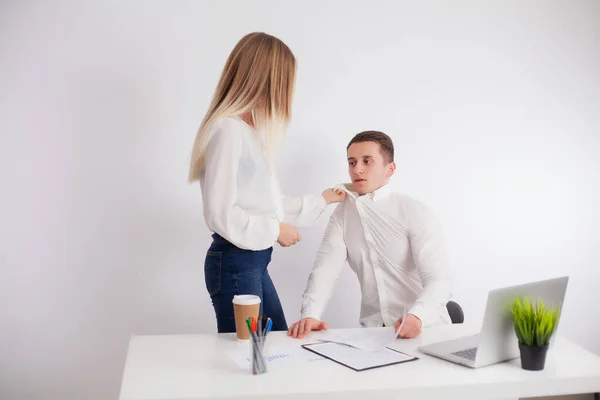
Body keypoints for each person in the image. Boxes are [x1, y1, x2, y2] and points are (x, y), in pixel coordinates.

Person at [188, 32, 345, 333]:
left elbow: (262, 202)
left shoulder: (248, 132)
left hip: (248, 264)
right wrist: (275, 230)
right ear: (265, 78)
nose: (287, 91)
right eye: (284, 80)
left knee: (273, 349)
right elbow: (219, 213)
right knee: (253, 361)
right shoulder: (228, 131)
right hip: (236, 262)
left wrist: (322, 199)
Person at [288, 130, 453, 339]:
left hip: (427, 331)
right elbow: (325, 270)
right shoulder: (342, 214)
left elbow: (439, 280)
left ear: (390, 169)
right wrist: (310, 314)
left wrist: (417, 316)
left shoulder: (414, 212)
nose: (357, 169)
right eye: (352, 162)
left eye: (367, 161)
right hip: (375, 335)